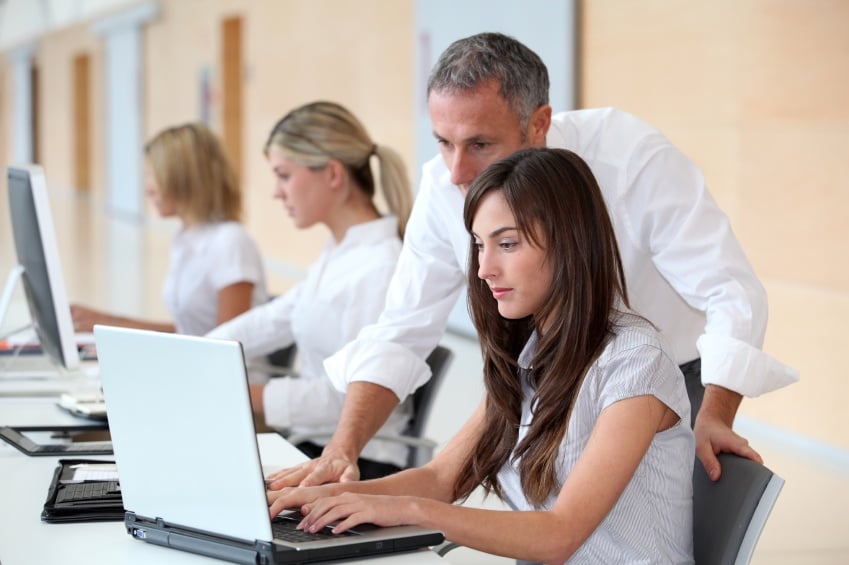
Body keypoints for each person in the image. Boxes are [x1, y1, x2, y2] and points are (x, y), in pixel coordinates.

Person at [267, 32, 798, 488]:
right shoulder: (443, 184)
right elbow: (402, 330)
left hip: (670, 378)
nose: (457, 172)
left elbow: (730, 292)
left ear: (538, 124)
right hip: (550, 373)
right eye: (443, 142)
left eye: (479, 143)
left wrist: (716, 414)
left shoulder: (631, 158)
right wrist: (342, 450)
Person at [268, 148, 695, 563]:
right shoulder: (529, 356)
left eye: (506, 244)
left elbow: (559, 535)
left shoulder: (637, 362)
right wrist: (320, 497)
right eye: (478, 245)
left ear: (570, 242)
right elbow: (439, 479)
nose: (484, 268)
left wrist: (409, 512)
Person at [206, 101, 414, 479]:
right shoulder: (341, 250)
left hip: (360, 462)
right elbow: (274, 318)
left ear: (333, 174)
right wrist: (200, 354)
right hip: (315, 445)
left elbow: (347, 400)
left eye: (284, 175)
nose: (276, 192)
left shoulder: (379, 267)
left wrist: (237, 391)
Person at [71, 122, 268, 336]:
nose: (148, 189)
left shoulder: (231, 242)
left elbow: (228, 346)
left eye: (154, 176)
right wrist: (104, 322)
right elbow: (189, 332)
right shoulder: (186, 236)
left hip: (224, 367)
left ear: (183, 179)